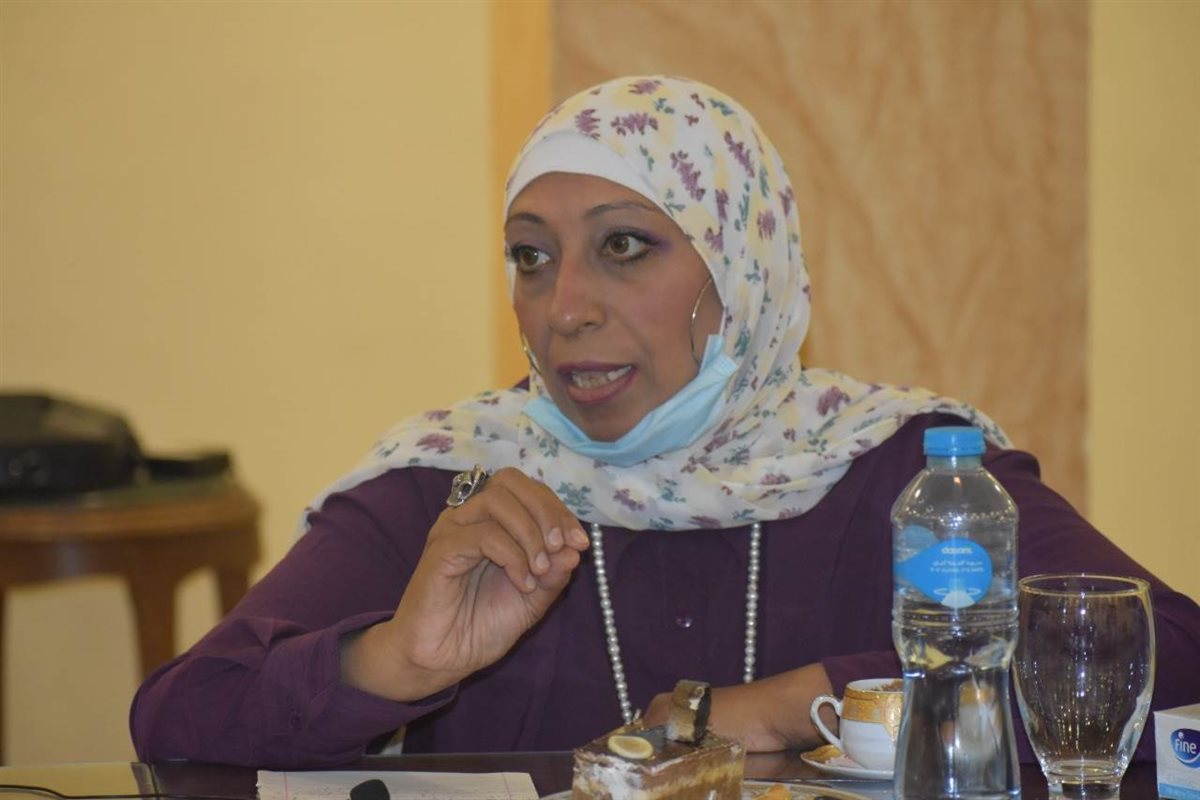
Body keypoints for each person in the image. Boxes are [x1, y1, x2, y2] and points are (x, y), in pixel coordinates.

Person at [130, 76, 1200, 768]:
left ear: (742, 265)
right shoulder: (455, 483)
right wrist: (393, 661)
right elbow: (179, 718)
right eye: (532, 257)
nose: (564, 308)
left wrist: (794, 704)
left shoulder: (901, 468)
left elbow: (1166, 655)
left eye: (625, 245)